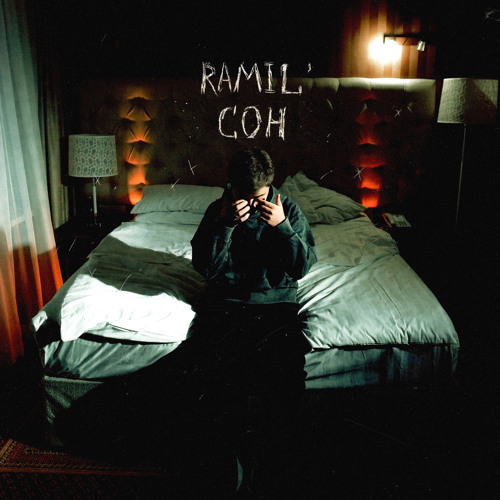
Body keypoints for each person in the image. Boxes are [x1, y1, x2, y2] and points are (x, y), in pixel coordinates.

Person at [190, 148, 317, 495]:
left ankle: (274, 469)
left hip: (276, 306)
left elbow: (302, 268)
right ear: (231, 187)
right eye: (245, 197)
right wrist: (225, 224)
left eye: (259, 198)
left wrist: (282, 227)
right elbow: (206, 269)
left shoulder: (288, 209)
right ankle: (228, 466)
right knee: (217, 379)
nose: (252, 205)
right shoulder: (218, 210)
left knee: (285, 381)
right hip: (227, 305)